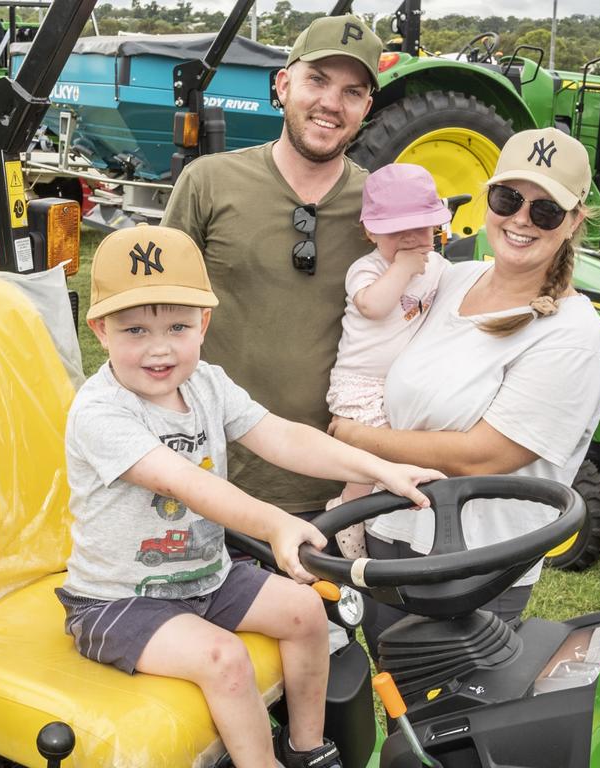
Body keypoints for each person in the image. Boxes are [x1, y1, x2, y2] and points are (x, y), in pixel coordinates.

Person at [59, 225, 442, 768]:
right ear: (101, 329)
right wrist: (275, 524)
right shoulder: (101, 412)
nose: (160, 347)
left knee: (307, 610)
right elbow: (186, 484)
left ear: (204, 323)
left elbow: (283, 436)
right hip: (119, 599)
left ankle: (308, 749)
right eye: (136, 330)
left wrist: (383, 468)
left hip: (206, 576)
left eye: (177, 326)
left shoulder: (208, 384)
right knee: (225, 659)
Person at [329, 127, 600, 650]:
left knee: (449, 723)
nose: (522, 219)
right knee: (400, 707)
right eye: (509, 198)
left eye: (547, 210)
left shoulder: (572, 337)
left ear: (574, 221)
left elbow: (483, 457)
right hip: (390, 537)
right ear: (489, 200)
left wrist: (354, 437)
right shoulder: (453, 281)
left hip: (472, 564)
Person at [161, 14, 384, 518]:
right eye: (318, 81)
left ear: (367, 107)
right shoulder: (208, 183)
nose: (331, 102)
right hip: (209, 473)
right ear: (284, 85)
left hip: (332, 486)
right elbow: (154, 314)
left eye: (352, 91)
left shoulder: (381, 206)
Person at [325, 163, 450, 558]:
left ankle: (374, 517)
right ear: (371, 232)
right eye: (398, 231)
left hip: (400, 387)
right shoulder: (368, 269)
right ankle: (347, 513)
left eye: (422, 228)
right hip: (359, 384)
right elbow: (375, 306)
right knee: (370, 460)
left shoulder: (441, 269)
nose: (412, 239)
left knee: (395, 453)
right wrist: (402, 268)